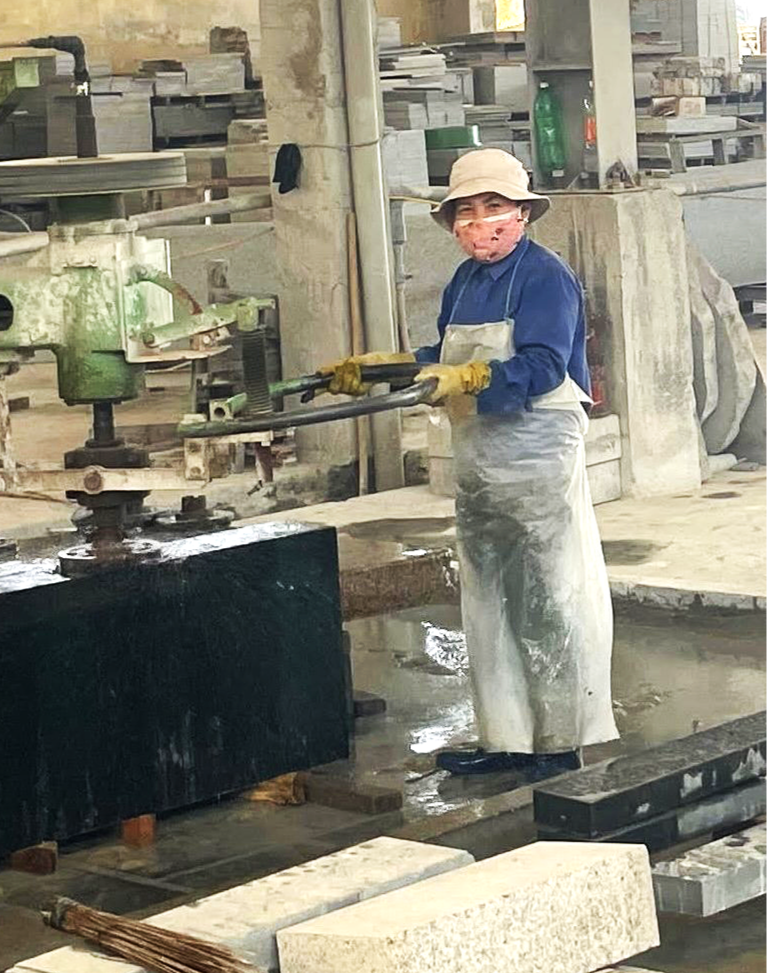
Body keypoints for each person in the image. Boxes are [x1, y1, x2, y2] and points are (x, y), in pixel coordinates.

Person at [324, 148, 618, 781]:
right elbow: (444, 355)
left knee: (544, 595)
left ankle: (558, 741)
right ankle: (506, 737)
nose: (479, 222)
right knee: (489, 598)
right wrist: (391, 369)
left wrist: (474, 376)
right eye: (465, 211)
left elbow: (543, 365)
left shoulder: (546, 276)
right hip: (481, 457)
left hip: (535, 450)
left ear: (520, 213)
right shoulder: (464, 282)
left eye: (493, 208)